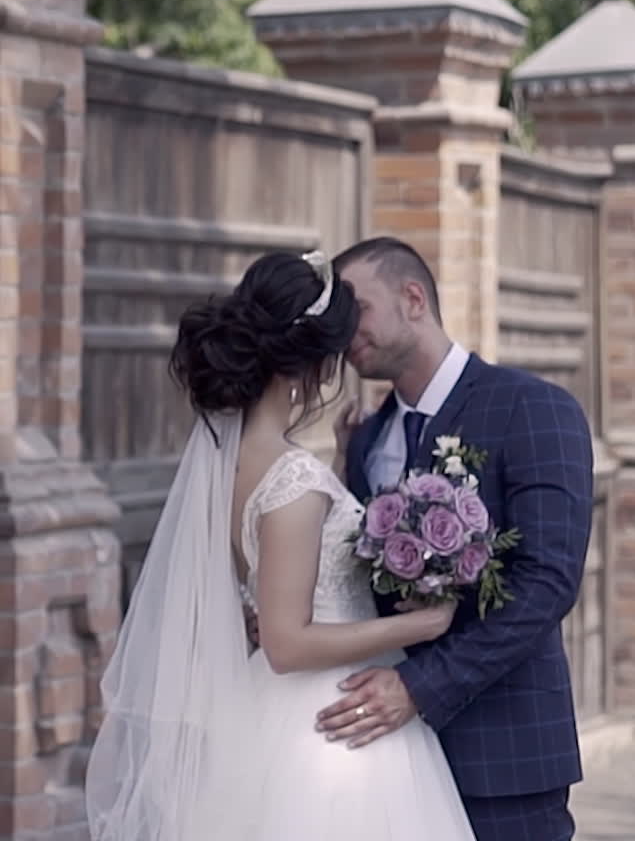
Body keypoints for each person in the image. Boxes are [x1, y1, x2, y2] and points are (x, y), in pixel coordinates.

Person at [84, 249, 477, 841]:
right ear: (312, 365)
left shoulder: (236, 463)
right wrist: (419, 628)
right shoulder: (293, 479)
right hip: (327, 722)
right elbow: (286, 643)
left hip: (269, 711)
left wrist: (343, 462)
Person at [316, 237, 594, 841]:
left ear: (413, 298)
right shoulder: (365, 441)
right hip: (387, 758)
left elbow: (548, 582)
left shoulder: (534, 407)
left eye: (355, 308)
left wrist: (420, 687)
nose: (343, 332)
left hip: (504, 754)